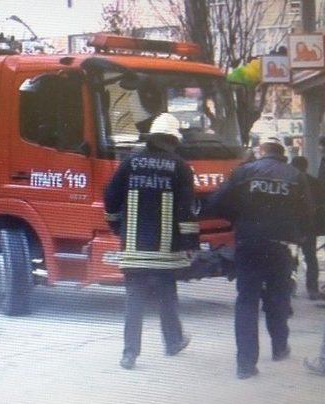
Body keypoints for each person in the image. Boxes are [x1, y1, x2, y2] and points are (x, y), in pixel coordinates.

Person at [208, 137, 314, 379]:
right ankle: (279, 347)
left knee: (247, 300)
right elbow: (308, 213)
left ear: (261, 151)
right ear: (282, 153)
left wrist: (237, 219)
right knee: (278, 296)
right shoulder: (295, 176)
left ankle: (245, 364)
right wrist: (300, 237)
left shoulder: (244, 172)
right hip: (280, 245)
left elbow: (216, 203)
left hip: (248, 244)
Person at [104, 112, 198, 370]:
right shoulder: (180, 167)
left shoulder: (129, 162)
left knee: (134, 299)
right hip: (166, 250)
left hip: (134, 248)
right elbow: (186, 210)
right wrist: (190, 243)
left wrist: (115, 225)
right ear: (172, 140)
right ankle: (173, 341)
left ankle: (129, 354)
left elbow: (110, 196)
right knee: (167, 295)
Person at [290, 156, 324, 300]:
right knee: (310, 258)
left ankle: (290, 287)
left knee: (291, 258)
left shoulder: (288, 181)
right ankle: (312, 289)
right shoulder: (315, 182)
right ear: (306, 166)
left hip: (291, 227)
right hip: (309, 226)